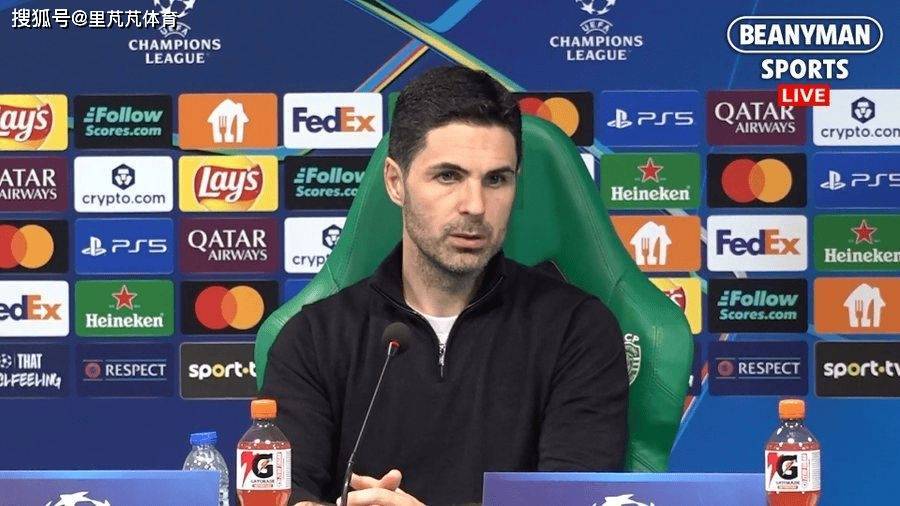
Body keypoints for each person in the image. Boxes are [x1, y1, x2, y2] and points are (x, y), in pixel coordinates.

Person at [260, 65, 628, 506]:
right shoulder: (314, 338)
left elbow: (574, 500)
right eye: (448, 176)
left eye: (496, 179)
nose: (475, 205)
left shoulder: (577, 329)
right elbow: (280, 494)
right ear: (395, 182)